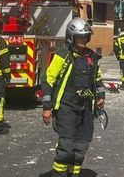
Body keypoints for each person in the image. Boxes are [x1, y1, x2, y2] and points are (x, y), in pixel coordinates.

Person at [42, 18, 106, 177]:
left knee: (82, 143)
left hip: (85, 107)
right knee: (67, 145)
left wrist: (101, 96)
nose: (83, 40)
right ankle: (59, 174)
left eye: (85, 36)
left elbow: (97, 79)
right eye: (80, 37)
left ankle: (74, 173)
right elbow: (48, 80)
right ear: (71, 37)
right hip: (67, 106)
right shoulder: (63, 56)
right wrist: (47, 107)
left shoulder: (92, 57)